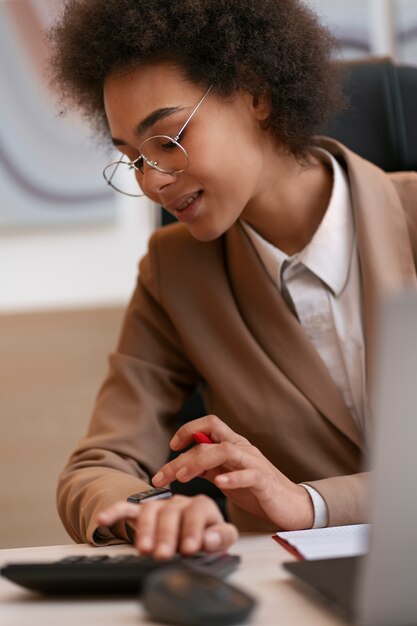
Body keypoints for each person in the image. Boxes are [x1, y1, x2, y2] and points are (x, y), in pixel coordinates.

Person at [49, 0, 417, 559]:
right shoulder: (173, 274)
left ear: (256, 95)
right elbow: (98, 466)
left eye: (168, 140)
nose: (151, 182)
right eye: (132, 158)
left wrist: (308, 503)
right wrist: (154, 512)